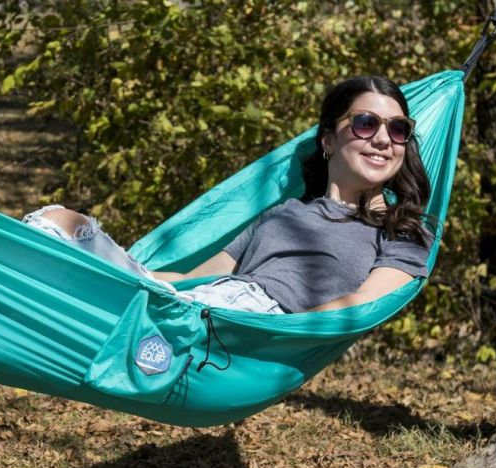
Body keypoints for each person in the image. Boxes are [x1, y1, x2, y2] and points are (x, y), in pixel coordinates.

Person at [22, 76, 432, 314]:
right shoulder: (283, 213)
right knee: (58, 221)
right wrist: (133, 274)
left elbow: (359, 305)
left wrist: (273, 336)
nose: (382, 139)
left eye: (397, 129)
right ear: (328, 139)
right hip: (205, 302)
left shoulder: (402, 231)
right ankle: (12, 292)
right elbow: (192, 278)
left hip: (249, 323)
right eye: (365, 123)